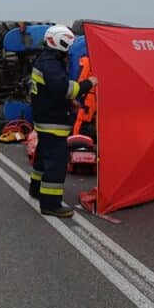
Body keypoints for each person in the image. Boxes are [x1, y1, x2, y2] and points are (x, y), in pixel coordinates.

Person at [28, 25, 97, 218]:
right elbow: (64, 89)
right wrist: (89, 83)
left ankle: (36, 189)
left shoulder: (45, 60)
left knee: (42, 158)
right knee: (56, 164)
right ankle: (51, 204)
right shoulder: (51, 64)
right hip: (53, 122)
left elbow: (52, 90)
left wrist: (69, 102)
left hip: (44, 118)